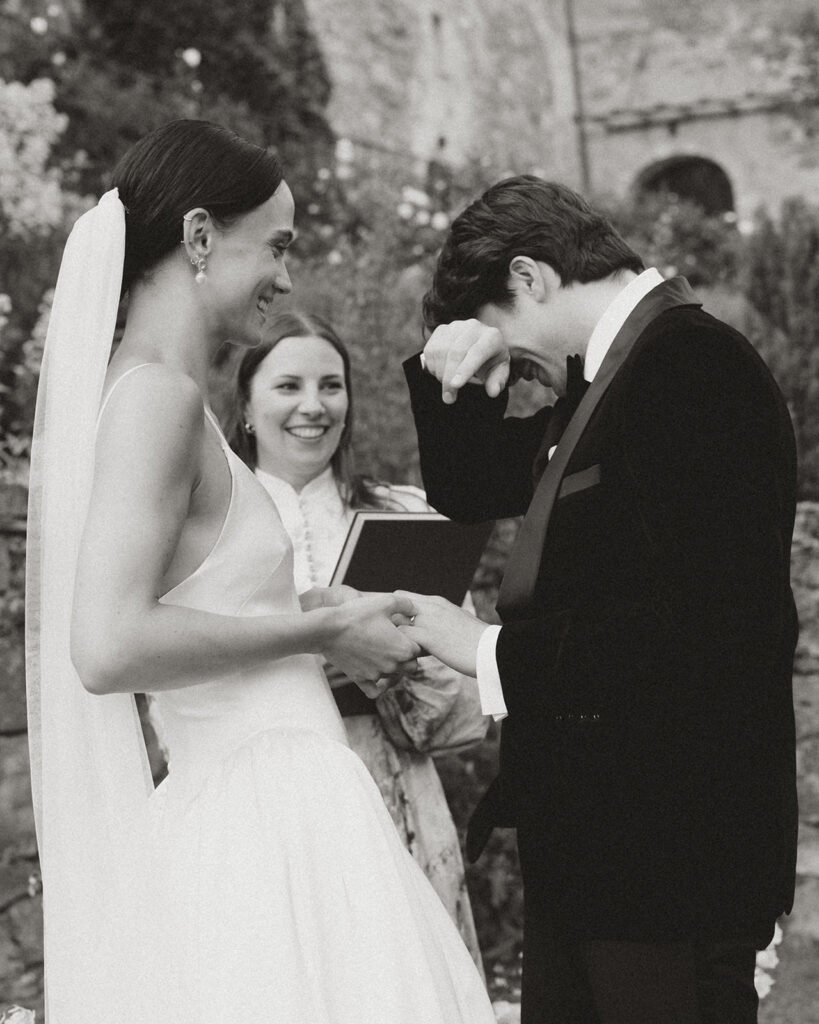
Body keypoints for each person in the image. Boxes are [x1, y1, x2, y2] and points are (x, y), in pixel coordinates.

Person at [25, 119, 496, 1024]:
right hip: (260, 825)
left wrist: (309, 611)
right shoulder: (155, 397)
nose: (287, 277)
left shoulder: (170, 397)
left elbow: (189, 599)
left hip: (291, 802)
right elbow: (108, 645)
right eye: (275, 246)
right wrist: (321, 629)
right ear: (200, 237)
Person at [399, 176, 799, 1023]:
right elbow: (473, 489)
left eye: (497, 323)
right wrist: (465, 372)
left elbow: (699, 629)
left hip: (671, 860)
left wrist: (483, 649)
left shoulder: (694, 368)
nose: (508, 354)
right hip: (591, 856)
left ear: (532, 277)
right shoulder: (605, 383)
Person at [221, 309, 487, 969]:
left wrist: (392, 670)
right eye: (288, 386)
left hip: (395, 795)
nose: (313, 406)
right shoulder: (212, 528)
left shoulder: (406, 513)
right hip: (258, 802)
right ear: (247, 406)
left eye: (331, 386)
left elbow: (469, 705)